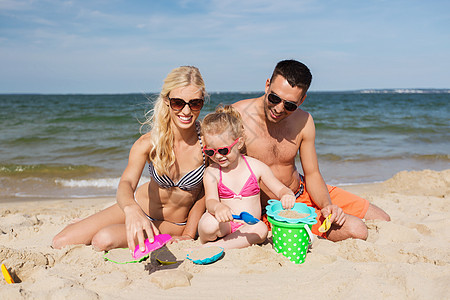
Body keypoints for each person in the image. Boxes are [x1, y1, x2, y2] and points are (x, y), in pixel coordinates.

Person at [52, 66, 207, 253]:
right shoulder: (148, 143)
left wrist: (189, 233)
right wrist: (131, 209)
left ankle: (97, 225)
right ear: (166, 101)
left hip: (173, 224)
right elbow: (126, 183)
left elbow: (204, 193)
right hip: (139, 209)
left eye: (195, 103)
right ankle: (89, 222)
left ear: (202, 102)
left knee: (102, 239)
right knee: (60, 241)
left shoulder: (207, 143)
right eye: (178, 102)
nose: (186, 110)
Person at [233, 59, 390, 242]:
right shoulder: (237, 116)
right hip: (271, 208)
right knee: (357, 230)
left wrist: (326, 205)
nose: (278, 108)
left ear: (302, 100)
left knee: (382, 219)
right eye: (274, 98)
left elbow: (313, 173)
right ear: (267, 85)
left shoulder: (304, 121)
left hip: (302, 190)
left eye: (290, 105)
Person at [197, 105, 296, 249]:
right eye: (210, 152)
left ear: (239, 143)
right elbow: (210, 200)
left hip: (247, 227)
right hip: (224, 224)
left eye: (224, 150)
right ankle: (226, 243)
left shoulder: (256, 167)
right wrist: (217, 207)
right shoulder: (212, 172)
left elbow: (280, 189)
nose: (218, 156)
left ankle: (214, 247)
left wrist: (287, 194)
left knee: (261, 230)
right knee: (207, 225)